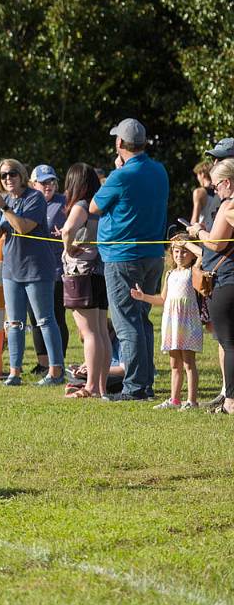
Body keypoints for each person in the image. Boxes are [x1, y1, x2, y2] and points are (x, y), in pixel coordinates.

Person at [90, 118, 169, 401]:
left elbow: (94, 206)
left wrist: (116, 172)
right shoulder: (160, 171)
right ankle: (144, 383)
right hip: (153, 256)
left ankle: (135, 387)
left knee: (127, 323)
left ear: (120, 143)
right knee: (142, 319)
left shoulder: (120, 176)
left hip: (123, 257)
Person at [0, 159, 64, 386]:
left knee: (45, 319)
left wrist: (4, 208)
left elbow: (23, 227)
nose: (7, 179)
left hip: (37, 268)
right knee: (15, 323)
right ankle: (14, 372)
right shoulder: (5, 200)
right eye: (2, 176)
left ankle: (56, 371)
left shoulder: (34, 197)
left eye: (12, 174)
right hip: (11, 270)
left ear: (21, 176)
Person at [131, 236, 203, 410]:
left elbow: (202, 254)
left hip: (187, 322)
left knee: (188, 362)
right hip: (172, 322)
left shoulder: (193, 270)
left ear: (191, 254)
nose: (180, 255)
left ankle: (191, 401)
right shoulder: (170, 274)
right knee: (174, 364)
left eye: (184, 251)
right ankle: (175, 399)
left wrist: (186, 243)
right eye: (176, 251)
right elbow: (163, 299)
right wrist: (143, 297)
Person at [59, 164, 111, 399]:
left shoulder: (80, 205)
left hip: (81, 272)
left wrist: (68, 246)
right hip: (100, 270)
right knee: (100, 331)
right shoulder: (99, 207)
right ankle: (100, 386)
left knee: (89, 332)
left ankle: (90, 386)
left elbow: (69, 229)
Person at [189, 156, 234, 413]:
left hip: (227, 281)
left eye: (217, 186)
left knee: (229, 343)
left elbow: (216, 243)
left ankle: (230, 401)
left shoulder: (228, 206)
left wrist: (198, 232)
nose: (215, 190)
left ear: (227, 183)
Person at [28, 164, 69, 374]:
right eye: (43, 182)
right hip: (32, 269)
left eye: (51, 181)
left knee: (55, 317)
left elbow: (79, 226)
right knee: (35, 318)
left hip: (57, 270)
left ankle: (57, 362)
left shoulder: (64, 203)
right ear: (33, 184)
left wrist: (67, 233)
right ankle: (42, 363)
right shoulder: (27, 201)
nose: (48, 186)